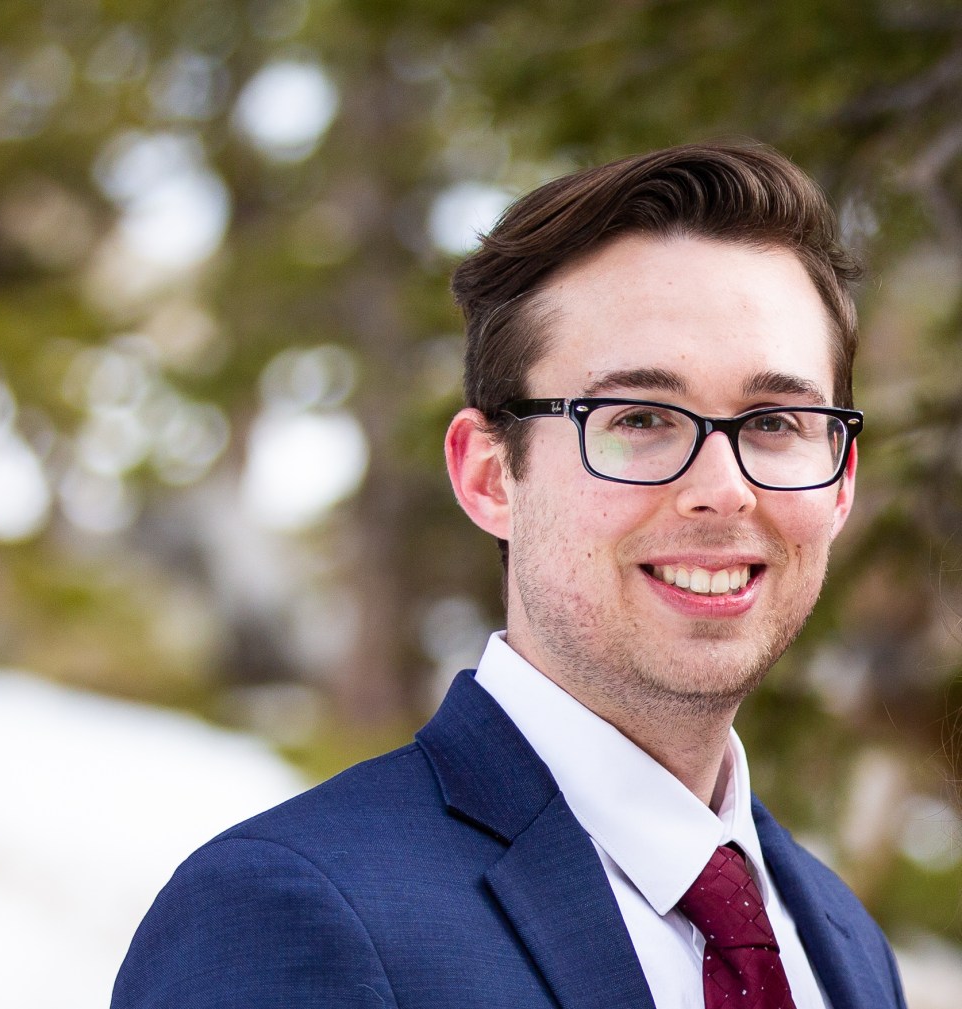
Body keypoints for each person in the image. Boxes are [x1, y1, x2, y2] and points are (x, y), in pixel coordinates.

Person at [111, 142, 906, 1008]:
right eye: (639, 418)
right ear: (490, 476)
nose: (723, 488)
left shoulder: (844, 943)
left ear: (841, 482)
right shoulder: (283, 915)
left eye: (777, 422)